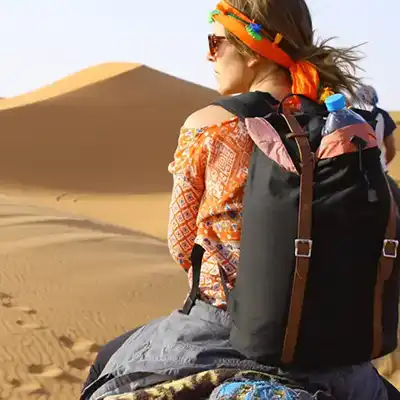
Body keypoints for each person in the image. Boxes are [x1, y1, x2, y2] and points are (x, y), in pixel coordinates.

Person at [81, 1, 399, 399]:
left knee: (105, 364)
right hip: (336, 342)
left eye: (215, 43)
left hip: (223, 330)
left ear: (252, 49)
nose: (207, 55)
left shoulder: (208, 125)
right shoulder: (346, 129)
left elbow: (182, 246)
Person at [351, 85, 400, 209]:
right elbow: (391, 148)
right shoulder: (382, 115)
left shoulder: (348, 114)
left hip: (351, 170)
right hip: (378, 170)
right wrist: (383, 164)